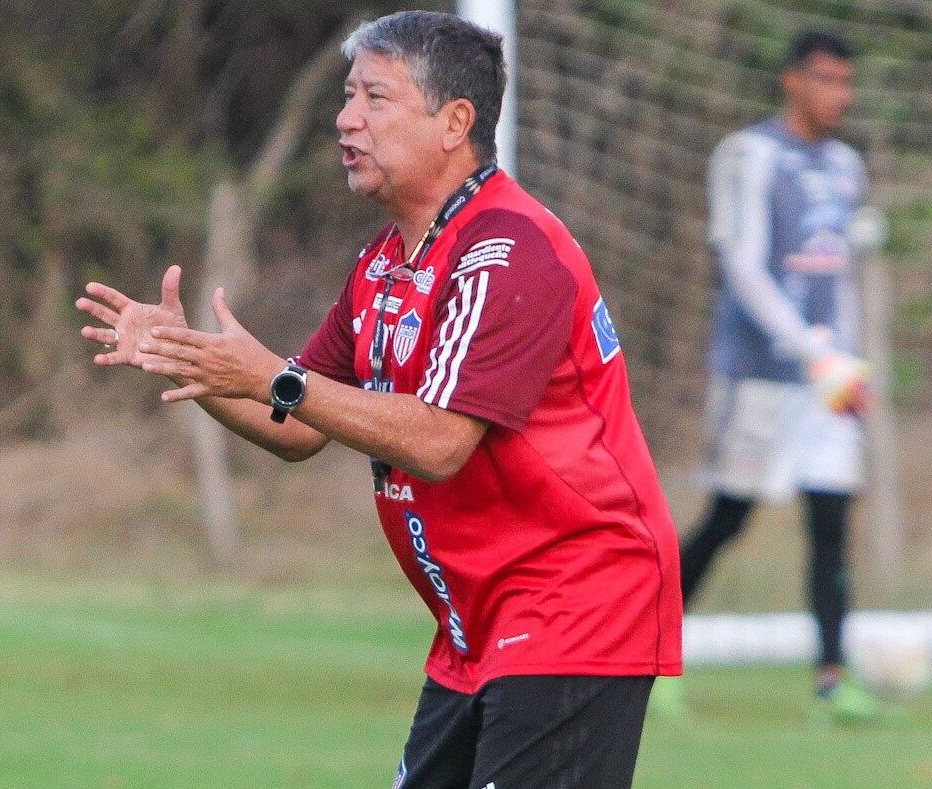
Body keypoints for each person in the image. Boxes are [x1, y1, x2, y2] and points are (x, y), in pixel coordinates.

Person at [75, 11, 682, 786]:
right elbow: (293, 423)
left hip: (576, 601)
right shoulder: (385, 263)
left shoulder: (509, 252)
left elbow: (436, 442)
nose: (345, 118)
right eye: (346, 95)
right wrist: (188, 359)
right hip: (477, 622)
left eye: (374, 98)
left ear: (453, 122)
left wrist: (271, 376)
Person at [672, 28, 878, 721]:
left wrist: (842, 362)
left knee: (830, 521)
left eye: (846, 82)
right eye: (826, 79)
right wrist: (809, 348)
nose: (838, 95)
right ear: (792, 80)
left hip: (824, 382)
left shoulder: (847, 165)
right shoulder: (749, 155)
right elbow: (743, 267)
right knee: (727, 518)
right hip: (758, 373)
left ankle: (832, 677)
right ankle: (646, 656)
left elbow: (839, 271)